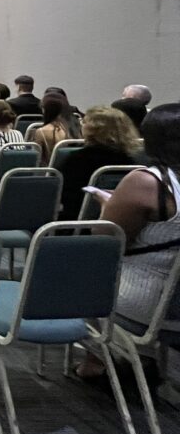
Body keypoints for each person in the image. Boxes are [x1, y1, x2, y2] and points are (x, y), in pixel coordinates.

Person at [92, 102, 180, 328]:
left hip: (148, 303)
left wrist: (107, 206)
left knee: (64, 273)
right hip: (171, 304)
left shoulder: (146, 182)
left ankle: (95, 353)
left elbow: (106, 242)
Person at [58, 106, 139, 222]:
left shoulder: (76, 160)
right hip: (120, 220)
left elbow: (60, 195)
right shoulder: (130, 161)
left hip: (75, 222)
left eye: (84, 122)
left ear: (92, 129)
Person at [29, 92, 81, 166]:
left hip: (53, 171)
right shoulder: (79, 127)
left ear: (46, 110)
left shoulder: (42, 131)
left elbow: (36, 159)